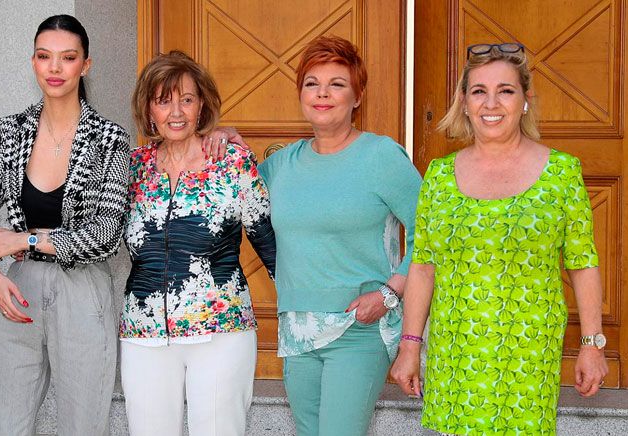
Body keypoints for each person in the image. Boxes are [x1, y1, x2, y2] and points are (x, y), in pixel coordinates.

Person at [390, 43, 608, 435]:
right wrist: (409, 346)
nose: (492, 103)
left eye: (506, 90)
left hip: (528, 352)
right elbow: (422, 267)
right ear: (464, 102)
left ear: (525, 100)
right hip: (455, 352)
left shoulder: (561, 173)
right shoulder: (439, 176)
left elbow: (582, 262)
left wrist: (592, 344)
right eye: (479, 91)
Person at [0, 15, 129, 436]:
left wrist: (23, 238)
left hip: (83, 288)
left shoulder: (109, 139)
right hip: (19, 289)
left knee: (83, 422)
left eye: (67, 57)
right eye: (44, 56)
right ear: (33, 62)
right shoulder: (10, 131)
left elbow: (106, 236)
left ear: (85, 66)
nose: (54, 68)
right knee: (7, 422)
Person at [257, 36, 422, 436]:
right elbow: (227, 198)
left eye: (337, 84)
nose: (323, 94)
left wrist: (390, 292)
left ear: (357, 96)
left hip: (359, 329)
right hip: (296, 330)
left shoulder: (381, 156)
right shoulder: (280, 165)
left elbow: (430, 233)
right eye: (312, 83)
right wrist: (222, 138)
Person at [120, 50, 276, 436]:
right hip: (144, 333)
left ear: (201, 105)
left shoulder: (232, 163)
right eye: (163, 100)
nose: (176, 112)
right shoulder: (131, 168)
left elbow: (269, 243)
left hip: (221, 330)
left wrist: (309, 304)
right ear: (148, 109)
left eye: (186, 100)